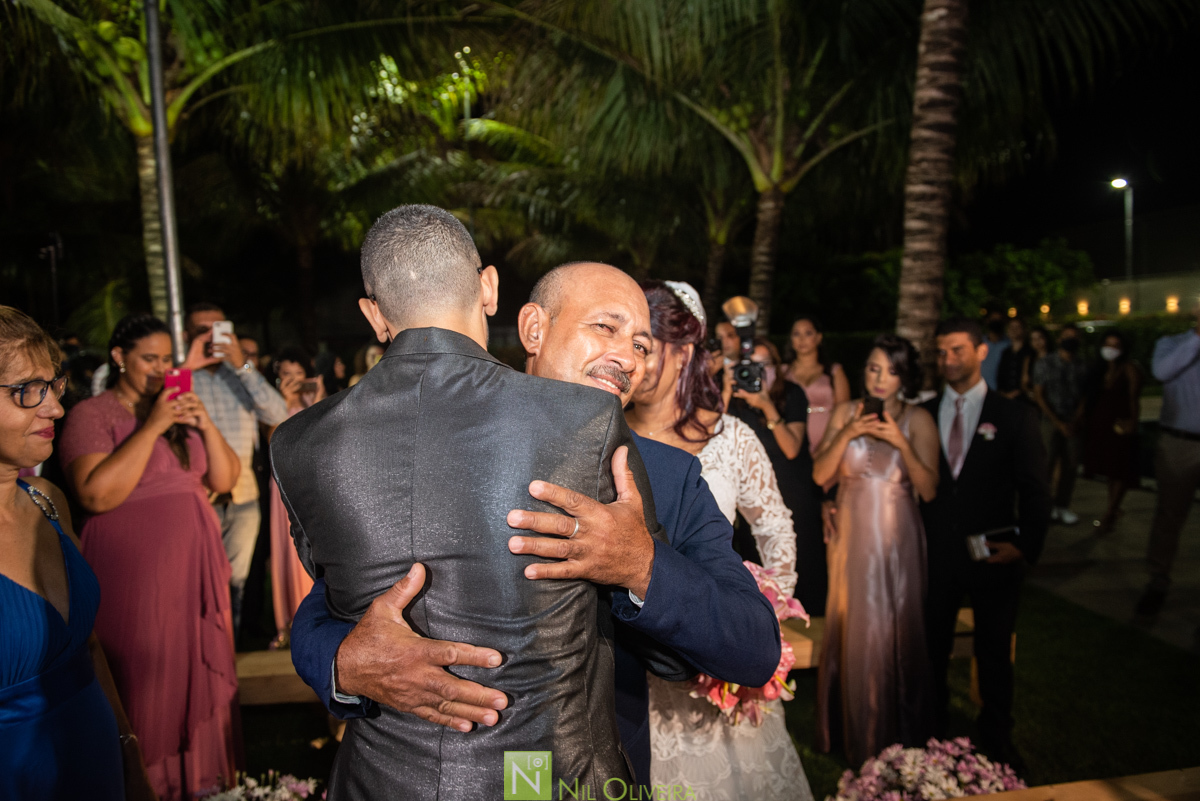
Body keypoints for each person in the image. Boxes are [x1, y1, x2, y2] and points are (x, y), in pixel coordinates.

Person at [269, 208, 720, 800]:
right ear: (489, 289)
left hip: (380, 780)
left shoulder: (297, 442)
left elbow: (330, 595)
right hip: (544, 780)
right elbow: (673, 656)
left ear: (374, 315)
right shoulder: (585, 420)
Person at [626, 281, 812, 801]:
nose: (632, 361)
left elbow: (775, 528)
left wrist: (761, 613)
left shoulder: (732, 438)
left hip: (718, 663)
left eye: (645, 347)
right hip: (632, 672)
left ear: (684, 352)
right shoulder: (605, 433)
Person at [59, 313, 242, 800]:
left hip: (192, 571)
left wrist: (203, 422)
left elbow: (225, 479)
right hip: (133, 576)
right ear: (119, 357)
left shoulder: (178, 412)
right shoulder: (92, 415)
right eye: (149, 359)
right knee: (143, 685)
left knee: (192, 676)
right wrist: (153, 424)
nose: (161, 370)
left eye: (167, 360)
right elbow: (95, 494)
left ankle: (200, 787)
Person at [0, 307, 156, 801]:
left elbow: (87, 647)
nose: (55, 409)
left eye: (54, 386)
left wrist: (128, 749)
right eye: (28, 390)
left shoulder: (46, 500)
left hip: (96, 757)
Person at [921, 317, 1050, 770]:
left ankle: (997, 735)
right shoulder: (924, 412)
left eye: (957, 350)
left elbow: (1035, 489)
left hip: (994, 555)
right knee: (932, 646)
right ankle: (931, 730)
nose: (948, 359)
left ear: (981, 352)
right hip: (937, 554)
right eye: (941, 352)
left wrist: (1026, 545)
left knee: (994, 650)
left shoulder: (1015, 415)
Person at [812, 334, 939, 766]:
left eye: (891, 371)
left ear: (905, 377)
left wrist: (901, 441)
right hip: (849, 537)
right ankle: (851, 729)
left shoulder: (918, 418)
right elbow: (820, 476)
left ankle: (903, 729)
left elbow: (929, 488)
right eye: (873, 368)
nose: (880, 379)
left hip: (897, 536)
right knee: (852, 623)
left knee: (897, 624)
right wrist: (849, 431)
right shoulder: (845, 412)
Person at [183, 303, 289, 633]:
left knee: (236, 584)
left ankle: (227, 651)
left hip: (243, 497)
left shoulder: (239, 374)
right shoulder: (183, 375)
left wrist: (241, 364)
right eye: (202, 331)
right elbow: (167, 408)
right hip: (197, 498)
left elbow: (279, 413)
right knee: (196, 584)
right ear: (186, 336)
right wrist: (187, 365)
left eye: (218, 329)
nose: (210, 337)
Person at [725, 334, 826, 614]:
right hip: (753, 504)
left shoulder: (792, 393)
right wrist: (726, 388)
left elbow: (792, 448)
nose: (758, 372)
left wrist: (766, 405)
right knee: (757, 574)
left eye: (765, 364)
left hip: (794, 495)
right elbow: (711, 433)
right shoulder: (734, 399)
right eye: (751, 365)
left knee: (803, 572)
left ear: (777, 367)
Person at [1136, 303, 1200, 618]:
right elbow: (1162, 372)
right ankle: (1158, 579)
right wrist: (1198, 338)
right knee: (1170, 515)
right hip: (1179, 443)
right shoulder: (1172, 343)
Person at [266, 347, 325, 649]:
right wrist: (284, 404)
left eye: (298, 374)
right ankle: (287, 623)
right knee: (286, 550)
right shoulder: (271, 406)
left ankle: (316, 619)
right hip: (282, 485)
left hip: (312, 484)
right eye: (286, 375)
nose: (293, 380)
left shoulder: (317, 402)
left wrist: (319, 401)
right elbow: (273, 443)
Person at [1082, 331, 1143, 535]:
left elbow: (1134, 398)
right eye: (1108, 344)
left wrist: (1133, 422)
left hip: (1120, 425)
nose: (1111, 349)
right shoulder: (1099, 369)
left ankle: (1110, 512)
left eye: (1116, 345)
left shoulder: (1129, 368)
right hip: (1101, 425)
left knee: (1120, 469)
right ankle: (1114, 507)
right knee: (1110, 470)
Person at [1031, 328, 1087, 525]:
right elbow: (1039, 395)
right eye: (1066, 337)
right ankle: (1042, 507)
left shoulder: (1082, 365)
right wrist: (1057, 422)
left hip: (1074, 422)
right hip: (1050, 421)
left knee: (1070, 465)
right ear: (1059, 339)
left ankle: (1062, 505)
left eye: (1074, 337)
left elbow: (1085, 395)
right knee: (1046, 465)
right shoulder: (1045, 363)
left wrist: (1075, 419)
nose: (1070, 341)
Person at [784, 316, 851, 455]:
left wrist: (828, 445)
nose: (802, 339)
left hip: (827, 442)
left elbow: (843, 411)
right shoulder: (782, 372)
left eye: (808, 333)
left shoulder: (834, 371)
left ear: (818, 337)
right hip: (790, 442)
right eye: (796, 334)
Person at [997, 318, 1032, 401]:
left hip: (1025, 398)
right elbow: (1001, 374)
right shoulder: (1005, 353)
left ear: (1023, 330)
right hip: (1006, 397)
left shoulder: (1030, 352)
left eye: (1017, 327)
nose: (1014, 330)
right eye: (1011, 327)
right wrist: (1003, 393)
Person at [1019, 326, 1052, 403]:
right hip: (1032, 400)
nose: (1037, 342)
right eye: (1033, 339)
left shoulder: (1054, 359)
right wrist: (1030, 392)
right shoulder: (1029, 359)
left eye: (1040, 338)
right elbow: (1024, 382)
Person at [980, 313, 1011, 391]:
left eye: (999, 320)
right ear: (987, 321)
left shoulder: (1010, 344)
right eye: (994, 319)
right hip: (981, 391)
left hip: (1003, 392)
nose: (996, 322)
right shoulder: (979, 343)